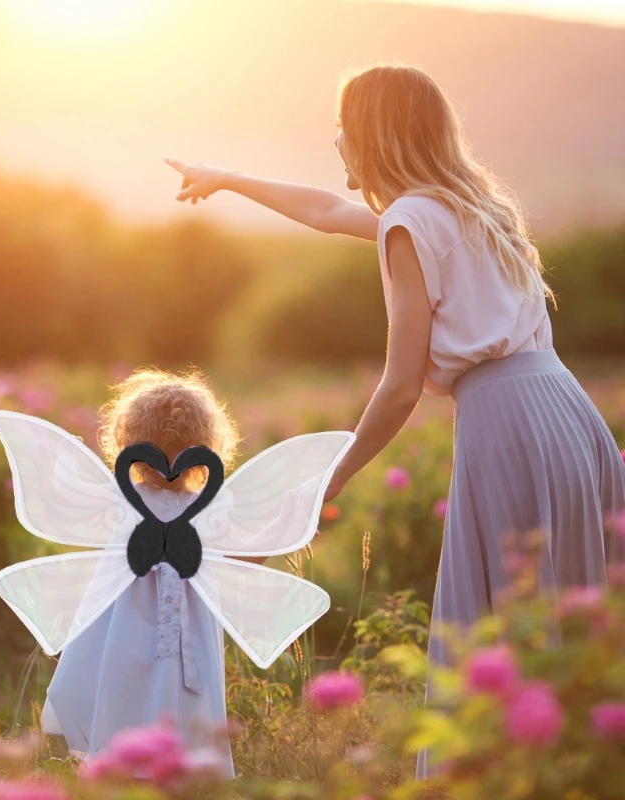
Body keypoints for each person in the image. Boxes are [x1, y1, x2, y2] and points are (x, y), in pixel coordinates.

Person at [166, 63, 625, 779]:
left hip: (508, 424)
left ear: (374, 134)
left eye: (345, 126)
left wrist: (328, 479)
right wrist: (225, 176)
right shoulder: (472, 207)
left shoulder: (413, 222)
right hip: (568, 412)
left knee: (498, 631)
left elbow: (401, 385)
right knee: (565, 622)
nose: (337, 140)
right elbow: (323, 210)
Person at [41, 368, 241, 776]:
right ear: (206, 446)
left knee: (121, 675)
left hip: (123, 618)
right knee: (182, 687)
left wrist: (65, 460)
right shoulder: (212, 504)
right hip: (189, 625)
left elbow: (69, 496)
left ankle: (121, 755)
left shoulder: (121, 498)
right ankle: (176, 761)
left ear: (127, 441)